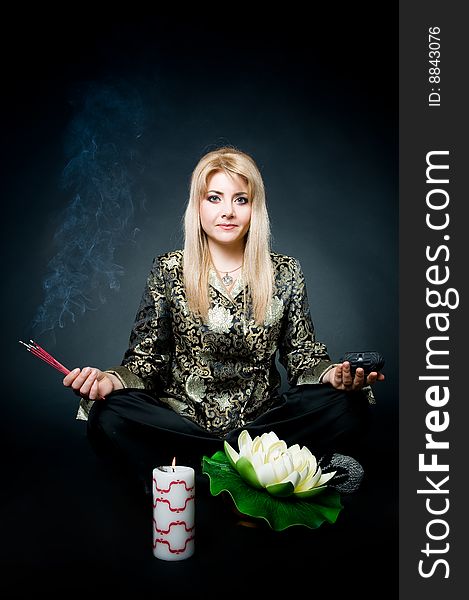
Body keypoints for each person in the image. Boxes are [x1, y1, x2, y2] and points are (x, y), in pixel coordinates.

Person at [63, 146, 384, 495]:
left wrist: (334, 375)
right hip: (181, 422)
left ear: (254, 207)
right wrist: (108, 381)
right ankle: (264, 472)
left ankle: (195, 473)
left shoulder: (285, 271)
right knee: (110, 411)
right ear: (197, 205)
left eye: (240, 200)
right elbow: (145, 360)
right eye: (214, 198)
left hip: (264, 426)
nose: (227, 211)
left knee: (349, 404)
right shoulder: (169, 269)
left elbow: (302, 355)